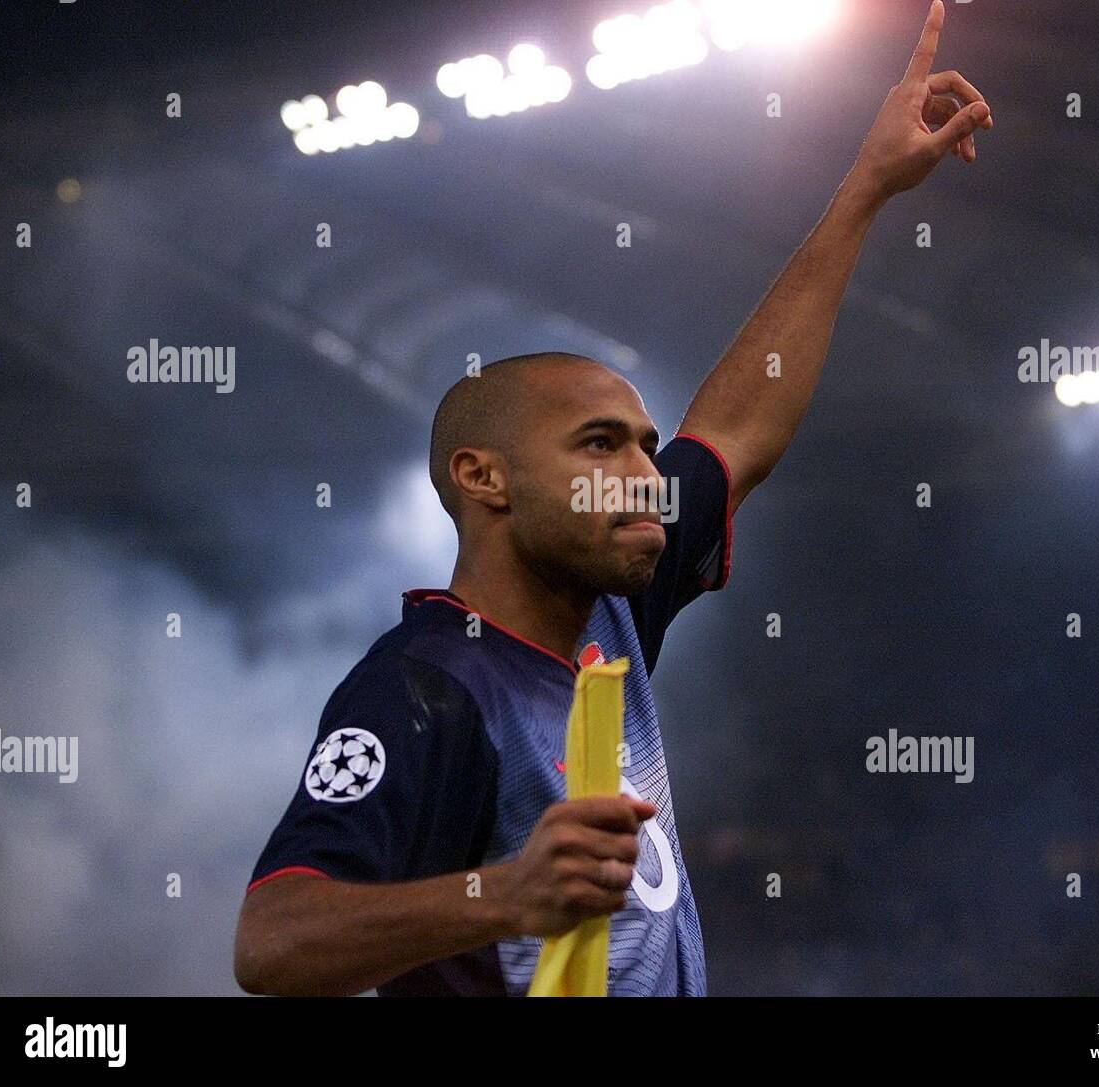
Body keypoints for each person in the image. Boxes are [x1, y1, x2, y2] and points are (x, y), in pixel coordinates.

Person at [233, 0, 991, 996]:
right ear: (483, 477)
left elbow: (736, 429)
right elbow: (271, 941)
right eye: (600, 444)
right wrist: (502, 895)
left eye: (643, 444)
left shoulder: (611, 608)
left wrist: (865, 189)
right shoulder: (424, 687)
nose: (642, 472)